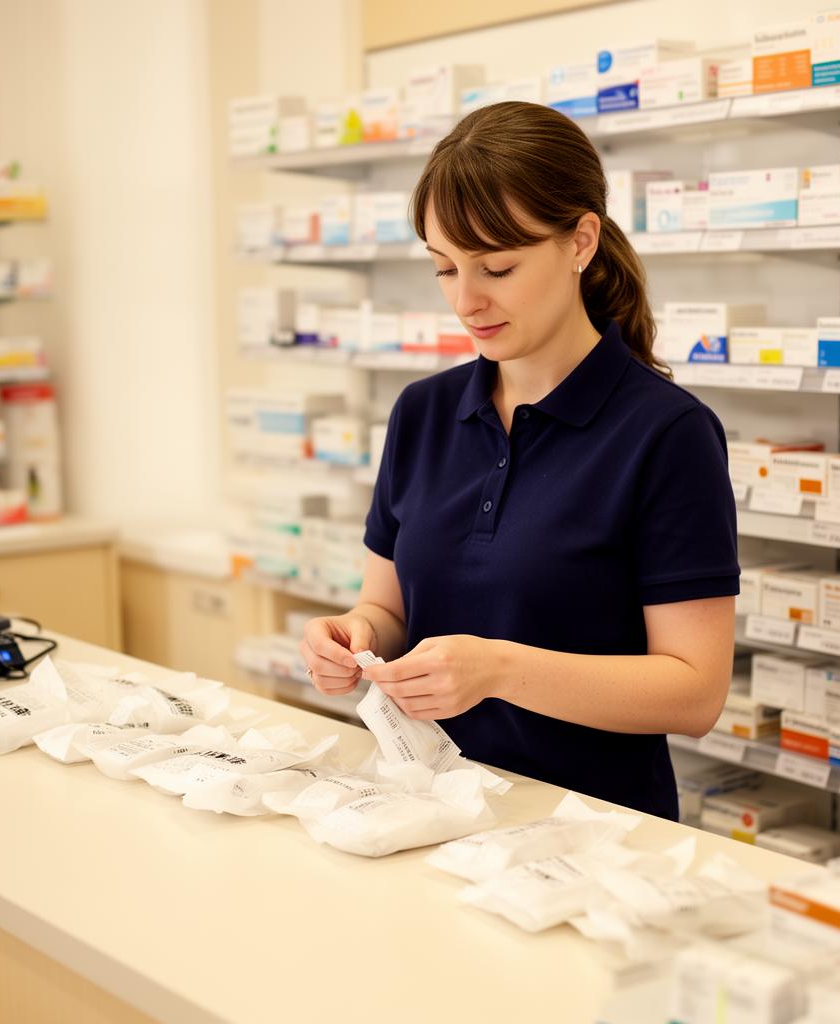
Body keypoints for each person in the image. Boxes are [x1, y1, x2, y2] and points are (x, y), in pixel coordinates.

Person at [299, 101, 738, 819]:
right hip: (424, 809)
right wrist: (354, 637)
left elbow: (694, 693)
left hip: (588, 837)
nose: (467, 301)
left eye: (497, 267)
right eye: (445, 269)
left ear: (581, 242)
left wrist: (498, 670)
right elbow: (387, 607)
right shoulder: (423, 413)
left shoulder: (667, 434)